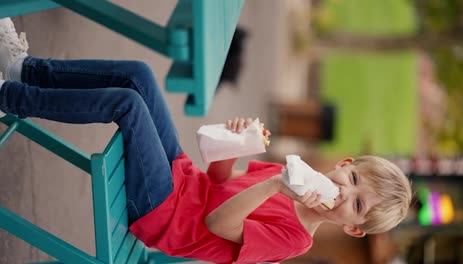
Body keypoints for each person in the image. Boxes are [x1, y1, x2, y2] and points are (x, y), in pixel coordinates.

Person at [0, 18, 412, 263]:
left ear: (354, 230)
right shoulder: (294, 175)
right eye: (354, 179)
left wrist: (274, 186)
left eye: (357, 205)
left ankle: (8, 97)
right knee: (140, 77)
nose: (344, 192)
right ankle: (23, 67)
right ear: (344, 164)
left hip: (163, 216)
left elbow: (217, 223)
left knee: (128, 105)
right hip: (181, 182)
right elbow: (217, 184)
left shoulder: (295, 239)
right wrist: (234, 144)